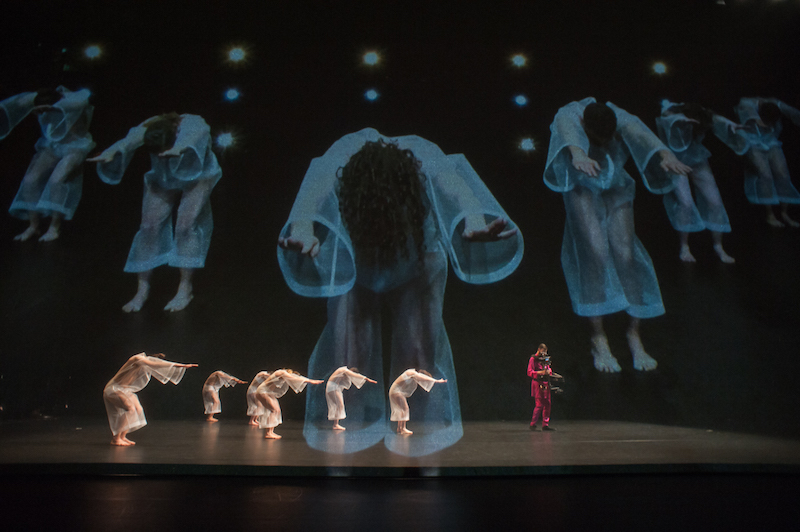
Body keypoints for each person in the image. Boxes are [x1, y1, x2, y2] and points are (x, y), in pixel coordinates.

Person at [277, 128, 523, 454]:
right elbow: (311, 198)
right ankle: (347, 447)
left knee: (419, 363)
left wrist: (473, 221)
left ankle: (416, 448)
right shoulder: (341, 156)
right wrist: (304, 230)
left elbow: (459, 192)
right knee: (348, 363)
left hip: (416, 257)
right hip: (358, 257)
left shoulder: (427, 160)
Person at [544, 98, 692, 372]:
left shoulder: (619, 115)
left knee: (626, 255)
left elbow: (639, 132)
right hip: (580, 182)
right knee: (596, 254)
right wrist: (578, 154)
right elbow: (568, 136)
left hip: (614, 181)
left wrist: (664, 154)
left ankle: (633, 334)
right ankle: (598, 338)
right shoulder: (569, 116)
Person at [88, 113, 221, 312]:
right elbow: (129, 140)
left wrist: (177, 148)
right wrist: (112, 151)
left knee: (185, 226)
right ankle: (142, 290)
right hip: (164, 174)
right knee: (148, 226)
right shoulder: (151, 125)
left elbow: (194, 135)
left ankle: (185, 288)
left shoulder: (192, 123)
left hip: (198, 174)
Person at [656, 101, 748, 263]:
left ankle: (718, 246)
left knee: (715, 202)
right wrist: (680, 119)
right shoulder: (670, 114)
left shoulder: (702, 115)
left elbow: (714, 117)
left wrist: (729, 123)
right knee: (686, 203)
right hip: (675, 159)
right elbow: (666, 119)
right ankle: (684, 246)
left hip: (695, 156)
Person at [0, 86, 95, 241]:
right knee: (30, 180)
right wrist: (32, 103)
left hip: (75, 147)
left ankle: (54, 227)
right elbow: (15, 104)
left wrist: (58, 104)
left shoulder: (75, 102)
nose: (40, 114)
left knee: (56, 180)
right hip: (51, 146)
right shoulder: (36, 99)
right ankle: (34, 226)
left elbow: (85, 95)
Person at [103, 352, 197, 446]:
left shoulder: (144, 367)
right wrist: (180, 365)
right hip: (114, 389)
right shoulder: (137, 358)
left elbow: (157, 366)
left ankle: (122, 437)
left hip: (125, 390)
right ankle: (116, 439)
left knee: (138, 410)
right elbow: (155, 364)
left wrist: (178, 366)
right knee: (130, 409)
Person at [734, 97, 800, 227]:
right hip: (753, 141)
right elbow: (746, 118)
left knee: (783, 174)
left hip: (770, 141)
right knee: (765, 176)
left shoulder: (777, 104)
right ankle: (770, 214)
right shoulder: (746, 105)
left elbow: (794, 113)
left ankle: (784, 213)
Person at [254, 369, 323, 439]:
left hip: (267, 392)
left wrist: (309, 380)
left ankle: (270, 432)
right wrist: (311, 381)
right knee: (274, 410)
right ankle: (268, 433)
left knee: (276, 411)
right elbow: (294, 378)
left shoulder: (282, 374)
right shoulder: (281, 372)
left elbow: (297, 378)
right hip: (263, 392)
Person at [388, 369, 446, 435]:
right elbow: (423, 377)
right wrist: (437, 381)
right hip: (396, 391)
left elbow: (421, 378)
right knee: (405, 408)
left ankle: (400, 428)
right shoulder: (412, 372)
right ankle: (402, 428)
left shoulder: (412, 374)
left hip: (395, 391)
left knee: (402, 409)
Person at [325, 366, 377, 431]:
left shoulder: (342, 371)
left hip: (333, 387)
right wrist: (366, 378)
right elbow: (355, 375)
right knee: (340, 405)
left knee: (338, 405)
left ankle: (335, 424)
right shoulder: (344, 370)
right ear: (351, 371)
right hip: (333, 388)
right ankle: (335, 424)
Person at [527, 344, 561, 431]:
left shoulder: (545, 359)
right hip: (538, 383)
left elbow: (548, 368)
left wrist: (549, 371)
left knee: (547, 404)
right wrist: (540, 372)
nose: (544, 353)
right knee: (539, 405)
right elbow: (529, 372)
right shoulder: (533, 359)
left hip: (546, 383)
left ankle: (545, 424)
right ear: (539, 350)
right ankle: (533, 424)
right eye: (543, 351)